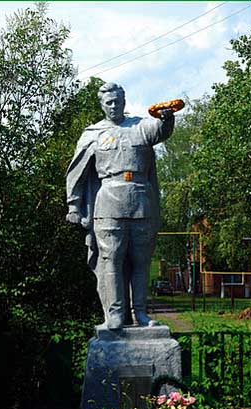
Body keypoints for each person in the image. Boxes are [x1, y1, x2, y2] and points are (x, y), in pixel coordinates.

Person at [66, 82, 175, 330]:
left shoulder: (140, 127)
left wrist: (167, 119)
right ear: (102, 105)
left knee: (140, 261)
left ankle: (140, 314)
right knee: (111, 259)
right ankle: (114, 314)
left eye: (118, 101)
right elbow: (76, 173)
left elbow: (160, 131)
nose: (114, 106)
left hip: (141, 202)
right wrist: (74, 206)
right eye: (109, 102)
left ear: (124, 102)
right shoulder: (93, 133)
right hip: (108, 204)